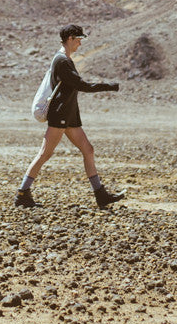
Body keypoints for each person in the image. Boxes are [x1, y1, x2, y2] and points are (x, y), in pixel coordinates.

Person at [17, 24, 124, 209]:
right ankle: (22, 194)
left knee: (88, 150)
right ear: (70, 39)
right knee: (45, 154)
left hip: (68, 114)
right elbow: (82, 85)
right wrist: (110, 86)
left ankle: (101, 195)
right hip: (61, 115)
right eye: (78, 40)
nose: (80, 44)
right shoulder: (62, 61)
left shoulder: (64, 59)